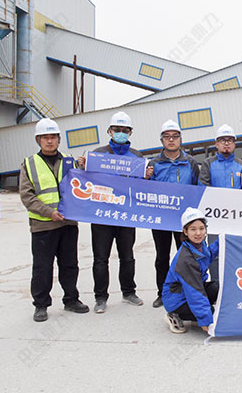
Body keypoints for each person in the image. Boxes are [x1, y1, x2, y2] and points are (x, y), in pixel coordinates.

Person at [19, 118, 89, 322]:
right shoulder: (29, 164)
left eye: (53, 137)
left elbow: (84, 184)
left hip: (68, 223)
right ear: (38, 140)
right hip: (43, 225)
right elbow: (27, 195)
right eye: (45, 137)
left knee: (70, 264)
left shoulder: (70, 161)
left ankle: (71, 299)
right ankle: (41, 305)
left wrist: (85, 167)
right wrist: (48, 213)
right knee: (42, 267)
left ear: (59, 139)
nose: (49, 141)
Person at [82, 111, 144, 313]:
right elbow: (86, 180)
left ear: (130, 132)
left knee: (127, 257)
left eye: (125, 130)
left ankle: (129, 292)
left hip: (126, 216)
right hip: (102, 216)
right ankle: (100, 297)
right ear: (109, 131)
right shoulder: (97, 155)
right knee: (101, 259)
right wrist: (82, 166)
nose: (120, 133)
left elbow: (143, 186)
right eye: (117, 129)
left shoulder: (136, 157)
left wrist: (147, 175)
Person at [145, 119, 200, 308]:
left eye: (175, 136)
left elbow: (197, 188)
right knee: (162, 257)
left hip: (184, 220)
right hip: (160, 219)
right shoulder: (154, 164)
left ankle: (185, 291)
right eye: (167, 137)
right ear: (161, 140)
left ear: (180, 139)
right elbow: (145, 190)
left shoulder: (190, 162)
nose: (171, 140)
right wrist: (146, 178)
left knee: (185, 257)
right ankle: (162, 293)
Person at [198, 124, 242, 282]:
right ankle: (216, 285)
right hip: (214, 218)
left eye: (230, 140)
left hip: (236, 218)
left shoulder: (241, 165)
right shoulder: (208, 164)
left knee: (236, 251)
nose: (226, 143)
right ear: (216, 144)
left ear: (234, 144)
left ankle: (236, 285)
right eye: (222, 140)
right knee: (214, 253)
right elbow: (203, 188)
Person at [162, 207, 219, 334]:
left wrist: (223, 241)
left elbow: (209, 255)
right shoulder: (185, 259)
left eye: (201, 228)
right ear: (185, 232)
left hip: (189, 290)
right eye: (193, 229)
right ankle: (174, 314)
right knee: (211, 313)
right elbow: (195, 292)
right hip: (177, 300)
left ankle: (196, 316)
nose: (198, 233)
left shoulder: (199, 245)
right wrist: (206, 320)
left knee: (216, 287)